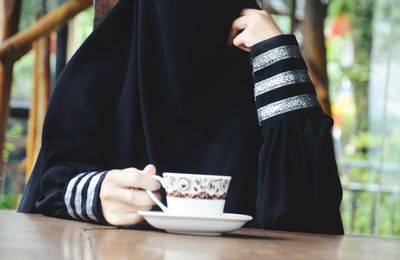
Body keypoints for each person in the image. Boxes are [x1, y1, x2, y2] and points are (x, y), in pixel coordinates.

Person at [18, 0, 344, 234]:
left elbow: (310, 214)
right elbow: (49, 186)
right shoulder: (98, 78)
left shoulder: (262, 78)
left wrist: (279, 57)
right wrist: (98, 193)